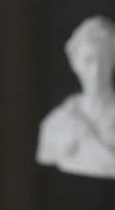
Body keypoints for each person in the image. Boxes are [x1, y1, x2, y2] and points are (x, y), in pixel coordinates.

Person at [37, 16, 115, 178]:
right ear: (75, 64)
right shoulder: (57, 123)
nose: (96, 71)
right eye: (88, 61)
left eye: (103, 59)